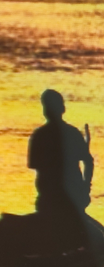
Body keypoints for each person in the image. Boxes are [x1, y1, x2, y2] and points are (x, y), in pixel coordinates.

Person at [27, 89, 93, 223]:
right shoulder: (72, 133)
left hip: (51, 199)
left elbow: (35, 165)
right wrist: (85, 188)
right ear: (62, 108)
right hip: (66, 199)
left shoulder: (39, 135)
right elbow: (88, 162)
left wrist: (85, 189)